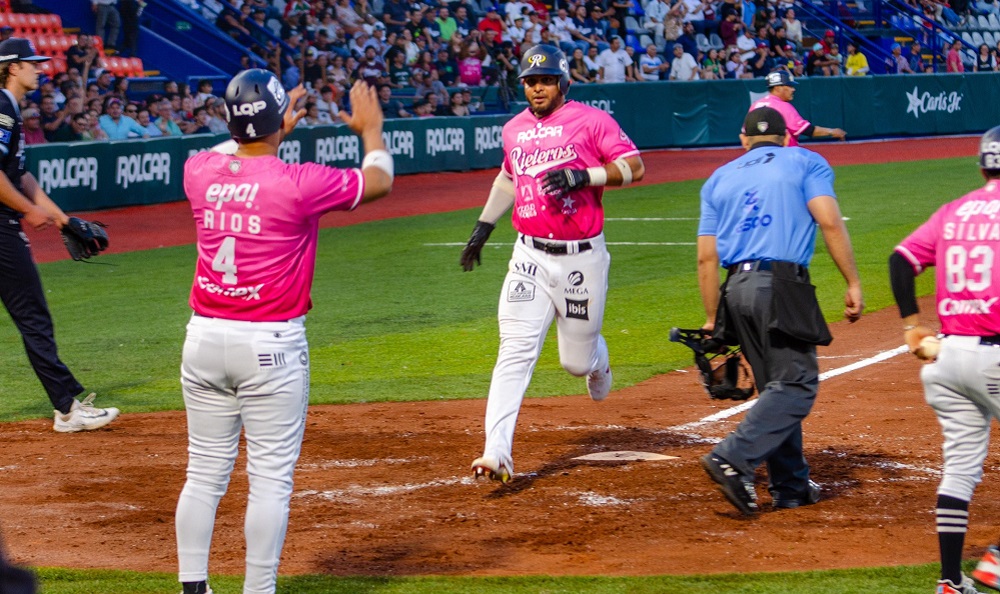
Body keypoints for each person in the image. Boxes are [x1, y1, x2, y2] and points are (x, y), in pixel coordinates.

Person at [174, 69, 393, 594]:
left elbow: (236, 147)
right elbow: (379, 180)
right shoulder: (299, 182)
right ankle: (258, 590)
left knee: (203, 473)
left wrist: (264, 129)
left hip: (203, 339)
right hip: (269, 345)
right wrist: (370, 131)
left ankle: (192, 586)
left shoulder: (198, 170)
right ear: (277, 122)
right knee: (269, 478)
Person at [458, 45, 644, 484]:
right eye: (529, 81)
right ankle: (496, 451)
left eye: (544, 80)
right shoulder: (514, 129)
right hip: (529, 255)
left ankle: (599, 359)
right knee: (514, 352)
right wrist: (484, 227)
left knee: (576, 363)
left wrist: (587, 175)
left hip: (582, 257)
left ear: (564, 82)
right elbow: (508, 176)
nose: (536, 87)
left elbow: (634, 166)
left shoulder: (592, 120)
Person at [697, 106, 863, 516]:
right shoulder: (806, 160)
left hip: (735, 289)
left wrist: (711, 317)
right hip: (781, 284)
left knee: (776, 385)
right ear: (788, 137)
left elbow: (706, 258)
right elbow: (828, 220)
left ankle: (790, 486)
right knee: (797, 384)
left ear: (744, 140)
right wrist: (853, 282)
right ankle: (732, 458)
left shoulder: (719, 177)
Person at [888, 126, 1000, 594]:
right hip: (994, 355)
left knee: (959, 468)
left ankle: (951, 581)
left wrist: (912, 324)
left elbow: (900, 259)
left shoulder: (954, 211)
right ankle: (995, 562)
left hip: (947, 359)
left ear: (982, 164)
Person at [0, 38, 121, 432]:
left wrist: (62, 220)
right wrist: (27, 210)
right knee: (33, 316)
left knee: (32, 315)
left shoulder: (12, 109)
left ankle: (67, 402)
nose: (40, 68)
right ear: (13, 68)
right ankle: (68, 408)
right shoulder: (2, 107)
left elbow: (21, 176)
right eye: (32, 63)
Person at [748, 70, 846, 147]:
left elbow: (746, 133)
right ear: (778, 88)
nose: (793, 89)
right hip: (784, 157)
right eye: (789, 86)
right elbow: (807, 130)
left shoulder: (755, 105)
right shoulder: (783, 106)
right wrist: (832, 131)